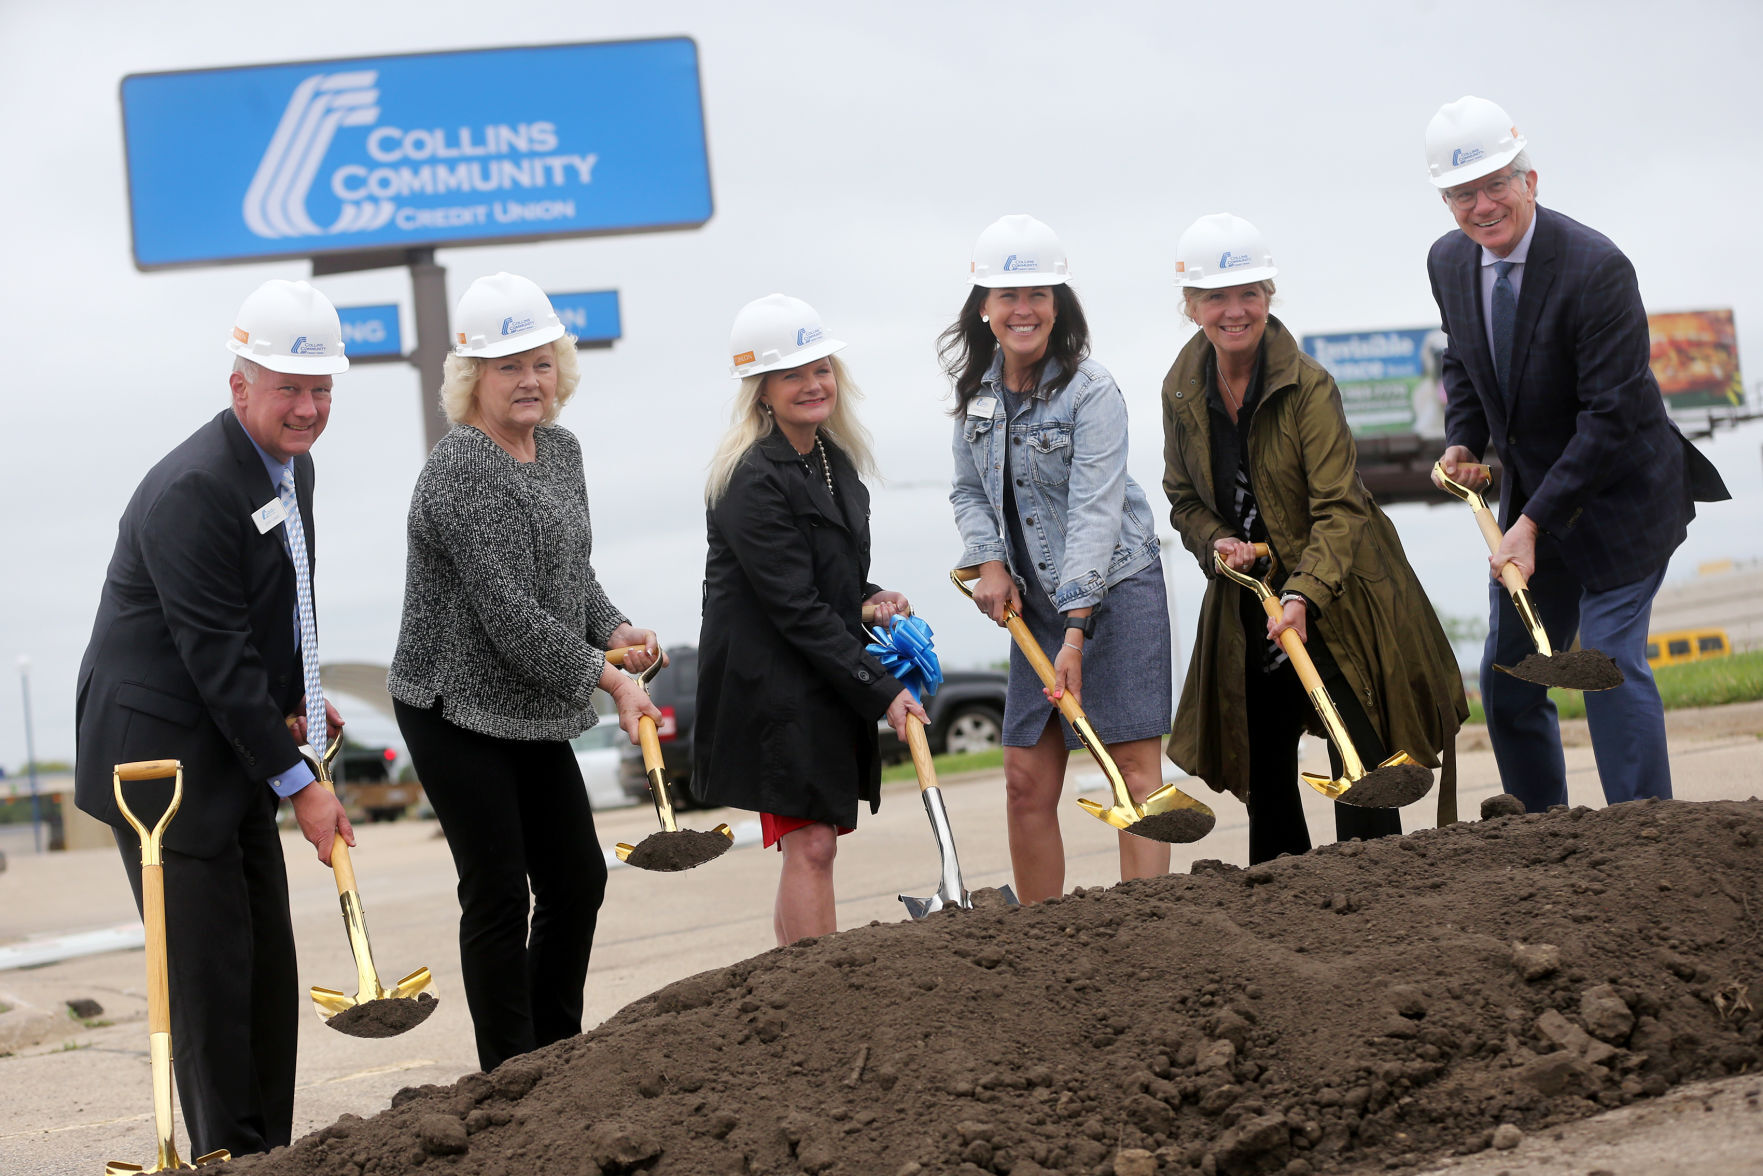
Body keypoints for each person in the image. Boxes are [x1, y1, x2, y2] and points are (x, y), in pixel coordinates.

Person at [73, 279, 356, 1157]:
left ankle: (267, 1150)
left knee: (264, 965)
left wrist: (300, 699)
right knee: (209, 977)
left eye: (320, 390)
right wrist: (302, 784)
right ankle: (226, 1156)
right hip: (154, 757)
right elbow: (214, 652)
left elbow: (271, 606)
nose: (306, 408)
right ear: (240, 387)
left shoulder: (287, 465)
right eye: (288, 388)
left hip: (225, 736)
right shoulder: (195, 487)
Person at [1422, 96, 1729, 812]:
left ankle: (1643, 834)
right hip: (1535, 498)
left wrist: (1529, 523)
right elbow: (1462, 362)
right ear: (1445, 200)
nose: (1482, 204)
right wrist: (1463, 439)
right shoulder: (1446, 263)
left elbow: (1610, 416)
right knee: (1511, 675)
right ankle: (1541, 832)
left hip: (1623, 495)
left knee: (1609, 662)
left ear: (1530, 180)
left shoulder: (1595, 269)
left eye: (1497, 183)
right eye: (1463, 193)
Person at [388, 272, 662, 1073]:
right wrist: (608, 678)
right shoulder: (461, 467)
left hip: (527, 700)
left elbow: (568, 574)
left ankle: (556, 1051)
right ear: (472, 377)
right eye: (508, 366)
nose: (528, 381)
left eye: (541, 363)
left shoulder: (561, 450)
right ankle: (510, 1074)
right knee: (501, 891)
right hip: (451, 702)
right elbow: (509, 616)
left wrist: (613, 628)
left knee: (576, 879)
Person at [1161, 214, 1466, 864]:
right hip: (1249, 597)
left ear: (1268, 296)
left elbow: (1337, 509)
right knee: (1263, 753)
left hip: (1339, 592)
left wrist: (1302, 594)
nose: (1233, 310)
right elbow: (1182, 498)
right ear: (1190, 306)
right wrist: (1216, 542)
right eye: (1215, 296)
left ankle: (1377, 898)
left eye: (1247, 292)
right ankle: (1280, 907)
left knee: (1357, 753)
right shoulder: (1181, 388)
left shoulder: (1308, 386)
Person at [945, 214, 1173, 903]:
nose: (1023, 310)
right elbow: (966, 490)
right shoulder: (976, 397)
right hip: (1030, 606)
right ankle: (1043, 943)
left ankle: (1148, 925)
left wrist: (1075, 628)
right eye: (1008, 296)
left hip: (1115, 590)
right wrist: (987, 562)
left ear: (1057, 306)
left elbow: (1096, 510)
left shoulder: (1089, 389)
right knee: (1023, 781)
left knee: (1131, 771)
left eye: (1038, 295)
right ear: (983, 307)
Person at [692, 293, 927, 945]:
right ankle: (811, 988)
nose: (812, 384)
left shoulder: (836, 462)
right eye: (791, 374)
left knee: (821, 840)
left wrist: (870, 598)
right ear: (760, 390)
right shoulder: (749, 477)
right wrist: (883, 691)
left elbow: (823, 581)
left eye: (819, 369)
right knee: (812, 843)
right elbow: (790, 604)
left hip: (820, 676)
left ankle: (806, 983)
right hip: (770, 687)